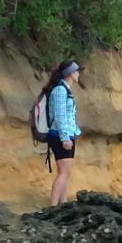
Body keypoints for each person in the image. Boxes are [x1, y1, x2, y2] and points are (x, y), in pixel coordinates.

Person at [31, 61, 83, 206]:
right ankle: (53, 206)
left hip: (67, 134)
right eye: (77, 71)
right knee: (64, 173)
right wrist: (65, 138)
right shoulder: (60, 91)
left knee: (66, 173)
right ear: (70, 74)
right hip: (60, 136)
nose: (78, 74)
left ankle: (63, 203)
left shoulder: (65, 89)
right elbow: (60, 117)